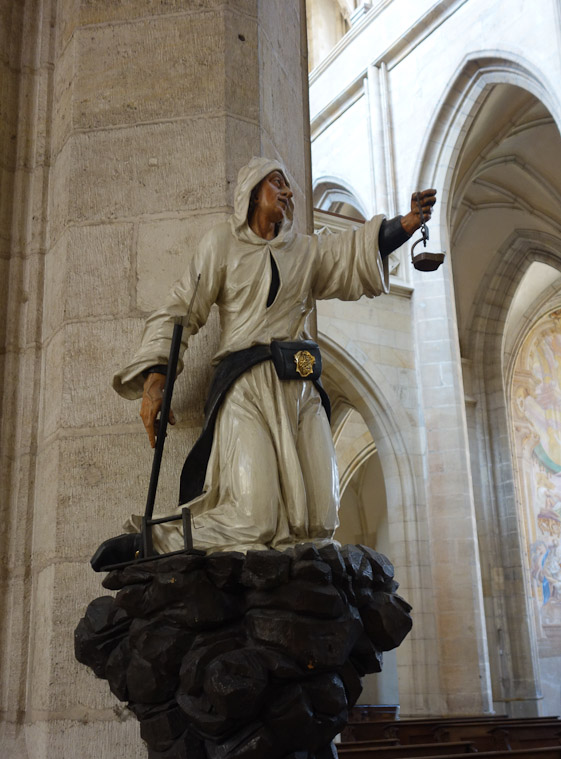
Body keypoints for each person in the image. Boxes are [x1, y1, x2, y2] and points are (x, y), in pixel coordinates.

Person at [92, 157, 435, 568]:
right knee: (256, 518)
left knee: (321, 519)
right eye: (277, 183)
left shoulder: (304, 250)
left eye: (288, 186)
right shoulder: (221, 245)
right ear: (253, 192)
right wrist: (155, 381)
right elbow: (181, 310)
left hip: (301, 387)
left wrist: (407, 224)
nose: (287, 192)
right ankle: (155, 542)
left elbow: (349, 255)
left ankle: (304, 585)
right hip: (246, 386)